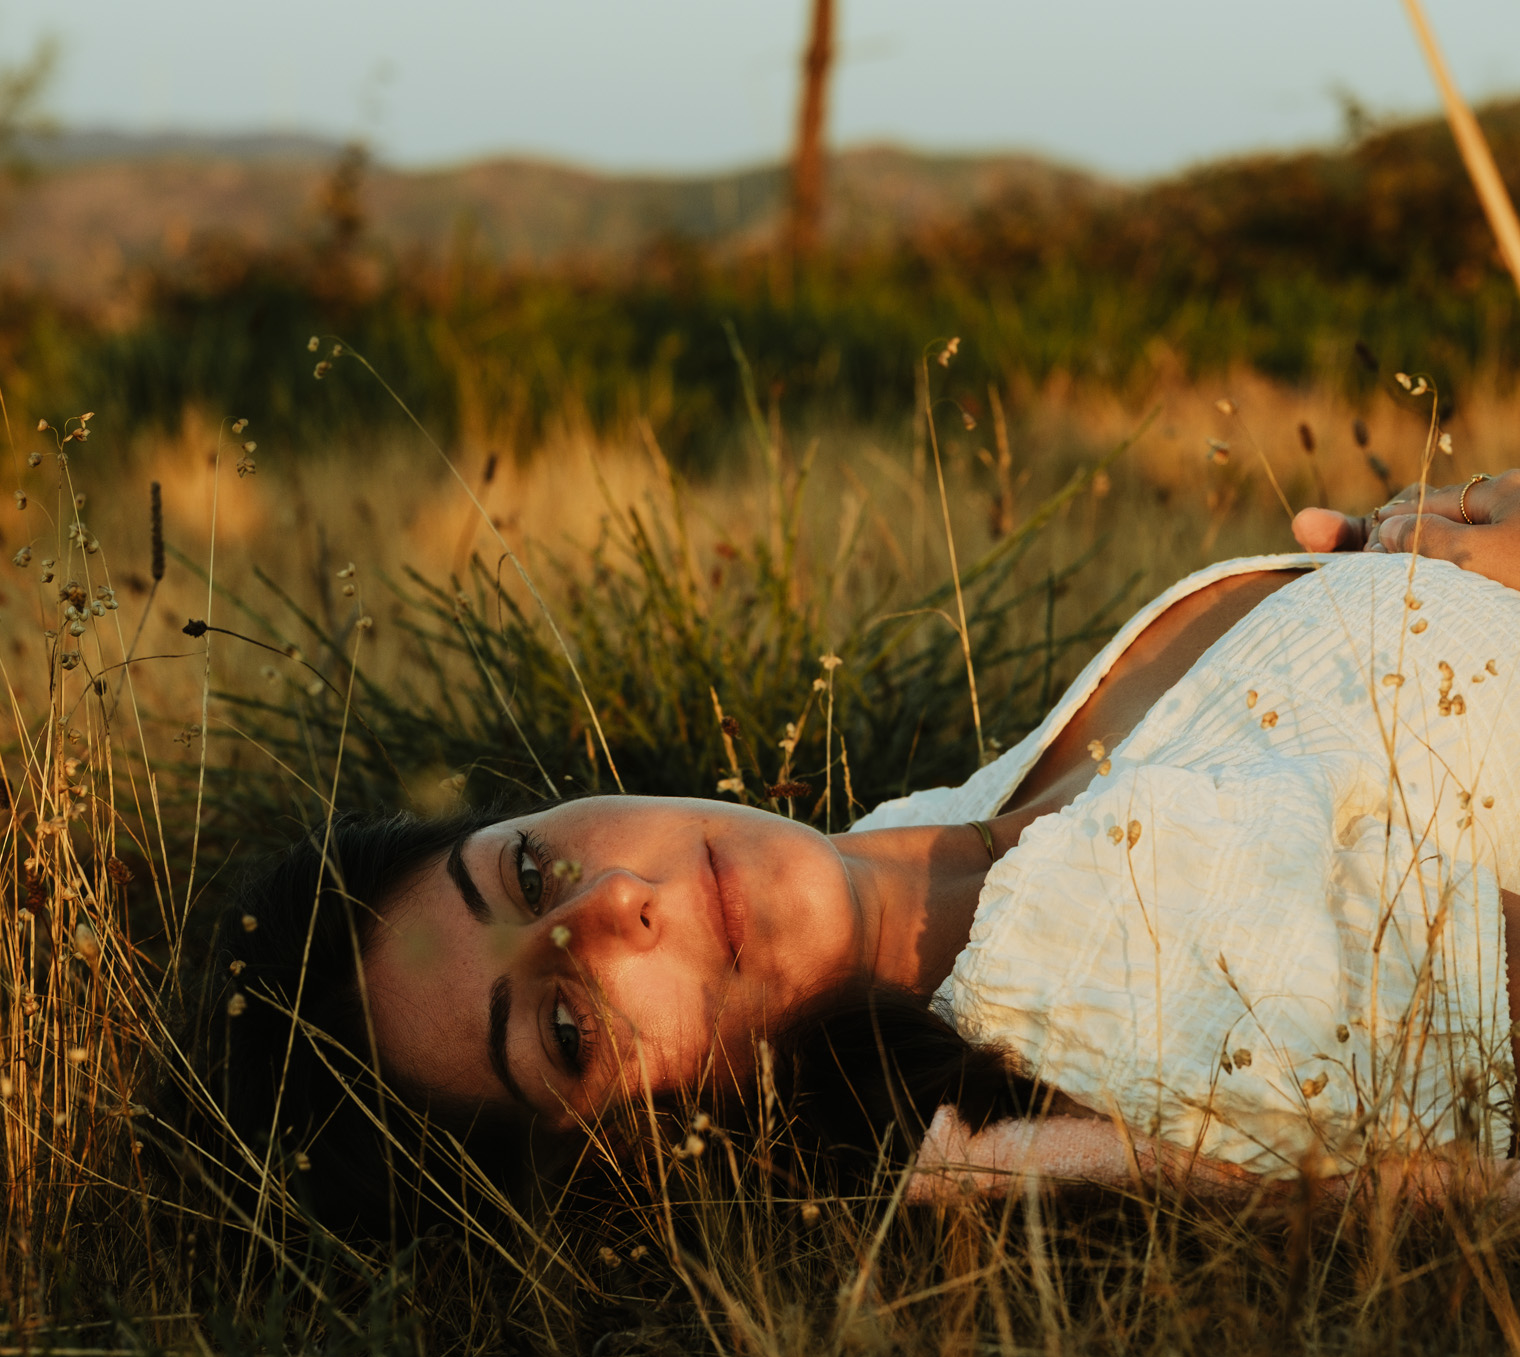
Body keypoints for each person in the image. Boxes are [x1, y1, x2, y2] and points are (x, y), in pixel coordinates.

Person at [208, 470, 1520, 1223]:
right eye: (565, 1027)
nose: (611, 905)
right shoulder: (1108, 1012)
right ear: (643, 1168)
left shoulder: (961, 820)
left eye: (529, 871)